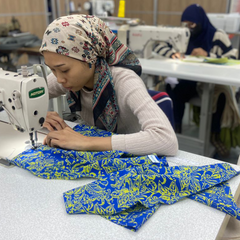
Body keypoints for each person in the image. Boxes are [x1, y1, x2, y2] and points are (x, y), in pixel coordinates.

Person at [39, 14, 178, 156]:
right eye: (52, 70)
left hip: (133, 157)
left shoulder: (125, 81)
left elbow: (166, 140)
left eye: (64, 70)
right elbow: (23, 96)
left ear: (90, 58)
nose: (59, 79)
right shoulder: (67, 78)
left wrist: (87, 142)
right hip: (100, 153)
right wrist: (38, 115)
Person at [153, 4, 240, 157]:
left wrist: (207, 55)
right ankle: (175, 128)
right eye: (185, 24)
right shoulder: (182, 34)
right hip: (187, 81)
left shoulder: (217, 35)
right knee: (172, 87)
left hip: (210, 83)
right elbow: (159, 46)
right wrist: (173, 53)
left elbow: (232, 57)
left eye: (191, 24)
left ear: (201, 22)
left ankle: (214, 135)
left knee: (220, 96)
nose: (188, 28)